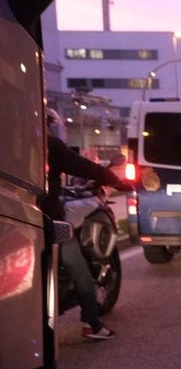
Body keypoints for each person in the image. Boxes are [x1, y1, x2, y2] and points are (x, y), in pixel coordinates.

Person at [43, 108, 130, 341]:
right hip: (48, 218)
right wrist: (114, 179)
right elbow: (83, 167)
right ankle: (92, 323)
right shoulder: (47, 145)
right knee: (77, 266)